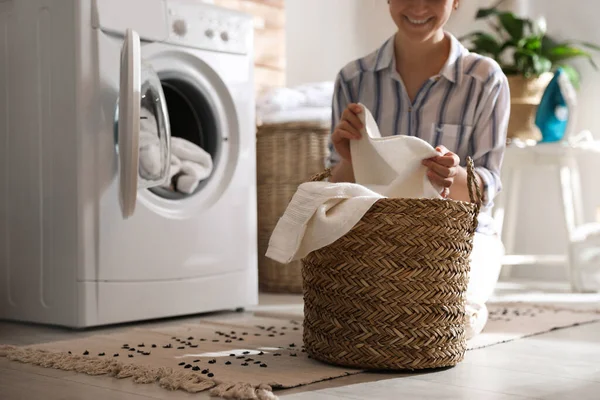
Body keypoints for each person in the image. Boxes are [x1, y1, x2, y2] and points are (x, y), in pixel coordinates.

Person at [326, 0, 510, 338]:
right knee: (356, 320)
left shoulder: (485, 80)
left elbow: (488, 185)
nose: (419, 5)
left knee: (444, 321)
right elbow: (336, 192)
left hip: (459, 240)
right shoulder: (353, 79)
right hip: (375, 237)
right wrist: (349, 160)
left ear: (456, 2)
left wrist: (453, 176)